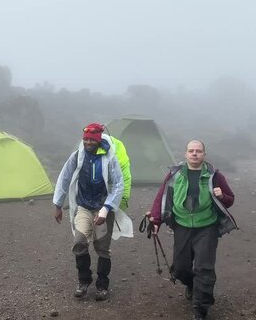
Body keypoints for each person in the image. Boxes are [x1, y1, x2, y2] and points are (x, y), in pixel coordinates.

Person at [148, 140, 237, 320]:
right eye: (191, 151)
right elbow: (162, 197)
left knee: (204, 268)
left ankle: (200, 308)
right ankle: (192, 285)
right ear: (185, 154)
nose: (194, 154)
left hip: (207, 227)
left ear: (204, 154)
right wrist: (156, 220)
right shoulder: (175, 174)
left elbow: (229, 200)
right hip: (182, 226)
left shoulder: (215, 176)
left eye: (198, 151)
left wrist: (223, 195)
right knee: (180, 269)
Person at [53, 122, 131, 301]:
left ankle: (102, 286)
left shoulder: (109, 158)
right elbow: (64, 177)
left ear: (98, 140)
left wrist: (106, 209)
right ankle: (84, 281)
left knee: (102, 248)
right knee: (79, 242)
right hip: (83, 206)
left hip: (103, 208)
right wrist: (58, 204)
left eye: (91, 140)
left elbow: (118, 184)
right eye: (85, 139)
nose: (88, 142)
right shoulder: (78, 156)